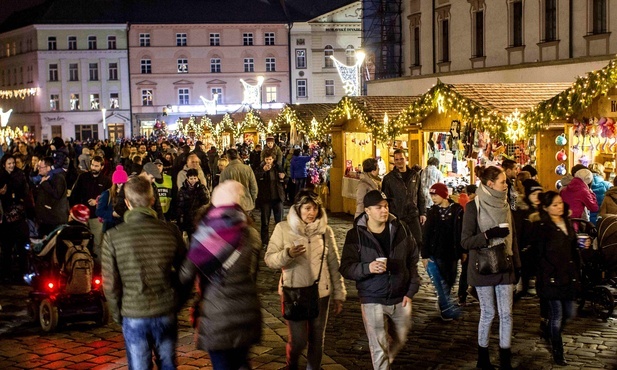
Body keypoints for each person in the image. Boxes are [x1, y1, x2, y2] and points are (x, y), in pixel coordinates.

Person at [102, 176, 186, 370]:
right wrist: (177, 301)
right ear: (152, 200)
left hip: (133, 312)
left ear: (127, 203)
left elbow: (110, 284)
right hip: (165, 309)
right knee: (168, 364)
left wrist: (118, 314)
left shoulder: (113, 237)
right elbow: (185, 271)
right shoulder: (170, 231)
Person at [178, 180, 262, 370]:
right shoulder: (251, 234)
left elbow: (185, 276)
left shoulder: (205, 236)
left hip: (217, 314)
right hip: (247, 311)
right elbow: (253, 273)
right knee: (241, 363)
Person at [265, 189, 346, 370]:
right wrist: (287, 254)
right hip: (294, 292)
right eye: (307, 208)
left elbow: (334, 264)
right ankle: (291, 363)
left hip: (321, 293)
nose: (311, 213)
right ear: (298, 208)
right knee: (299, 341)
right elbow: (269, 259)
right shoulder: (283, 228)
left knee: (317, 339)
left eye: (315, 208)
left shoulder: (326, 231)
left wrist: (339, 293)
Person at [339, 190, 420, 370]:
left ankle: (386, 360)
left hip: (400, 296)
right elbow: (345, 267)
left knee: (401, 338)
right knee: (378, 346)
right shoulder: (356, 235)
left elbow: (413, 259)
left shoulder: (401, 229)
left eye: (386, 206)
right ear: (367, 211)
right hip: (372, 297)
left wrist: (411, 289)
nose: (384, 210)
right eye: (379, 207)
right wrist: (368, 268)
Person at [461, 165, 520, 370]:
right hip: (483, 266)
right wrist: (488, 235)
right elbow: (465, 242)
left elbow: (513, 239)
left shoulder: (506, 204)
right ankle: (483, 359)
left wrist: (517, 265)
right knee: (488, 313)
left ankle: (505, 360)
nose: (506, 184)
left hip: (505, 264)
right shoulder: (473, 207)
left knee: (507, 314)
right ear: (490, 184)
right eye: (503, 181)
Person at [529, 191, 581, 366]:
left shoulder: (567, 221)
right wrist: (547, 271)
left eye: (560, 203)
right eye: (555, 205)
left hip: (568, 276)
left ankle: (549, 330)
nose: (559, 207)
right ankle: (558, 351)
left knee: (569, 312)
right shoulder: (541, 227)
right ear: (545, 207)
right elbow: (537, 255)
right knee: (557, 314)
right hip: (550, 278)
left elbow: (572, 247)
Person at [422, 182, 464, 316]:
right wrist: (425, 254)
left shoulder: (457, 210)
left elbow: (462, 231)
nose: (433, 198)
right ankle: (444, 306)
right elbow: (426, 234)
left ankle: (444, 301)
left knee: (451, 278)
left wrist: (463, 250)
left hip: (452, 252)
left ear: (444, 195)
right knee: (442, 280)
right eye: (431, 195)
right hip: (437, 251)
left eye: (435, 195)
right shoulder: (433, 211)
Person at [381, 149, 426, 250]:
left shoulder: (415, 175)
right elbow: (385, 199)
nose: (399, 161)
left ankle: (412, 262)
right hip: (397, 215)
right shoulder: (389, 178)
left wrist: (423, 213)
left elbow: (420, 195)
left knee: (418, 241)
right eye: (396, 159)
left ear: (406, 159)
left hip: (413, 214)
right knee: (399, 244)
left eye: (401, 159)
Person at [68, 155, 111, 259]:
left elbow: (110, 200)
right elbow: (74, 195)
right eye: (92, 165)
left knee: (97, 244)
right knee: (81, 242)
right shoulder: (83, 177)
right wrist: (75, 212)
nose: (93, 168)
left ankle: (97, 268)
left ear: (101, 167)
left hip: (97, 217)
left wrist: (97, 202)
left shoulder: (106, 181)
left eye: (96, 166)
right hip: (82, 217)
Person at [0, 154, 30, 281]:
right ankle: (6, 273)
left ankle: (22, 273)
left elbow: (24, 192)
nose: (12, 166)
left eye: (13, 163)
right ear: (4, 165)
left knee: (21, 246)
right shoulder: (1, 176)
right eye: (9, 163)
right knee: (6, 247)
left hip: (18, 216)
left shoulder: (20, 175)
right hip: (5, 217)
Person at [513, 179, 543, 300]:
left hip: (539, 250)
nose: (537, 197)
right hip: (525, 250)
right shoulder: (522, 211)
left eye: (539, 194)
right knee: (524, 276)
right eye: (534, 194)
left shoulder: (544, 209)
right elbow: (518, 232)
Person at [255, 152, 286, 247]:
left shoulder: (278, 167)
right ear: (264, 160)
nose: (268, 161)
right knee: (265, 222)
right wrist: (263, 171)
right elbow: (255, 178)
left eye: (270, 159)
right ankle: (265, 242)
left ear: (273, 159)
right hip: (266, 198)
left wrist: (283, 178)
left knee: (279, 222)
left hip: (277, 197)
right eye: (266, 159)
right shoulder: (260, 167)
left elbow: (285, 178)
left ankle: (278, 241)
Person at [34, 157, 70, 237]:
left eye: (40, 167)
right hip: (45, 220)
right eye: (38, 167)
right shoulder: (43, 178)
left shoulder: (58, 178)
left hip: (54, 220)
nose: (38, 169)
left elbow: (57, 194)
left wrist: (45, 183)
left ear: (48, 167)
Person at [220, 148, 258, 214]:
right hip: (246, 203)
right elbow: (253, 186)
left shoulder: (225, 171)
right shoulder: (247, 169)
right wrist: (252, 199)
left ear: (228, 157)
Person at [176, 168, 210, 239]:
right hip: (187, 219)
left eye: (195, 178)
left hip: (198, 218)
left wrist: (201, 190)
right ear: (187, 179)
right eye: (191, 179)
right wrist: (180, 219)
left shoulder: (201, 188)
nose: (193, 181)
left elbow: (206, 201)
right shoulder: (183, 190)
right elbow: (180, 205)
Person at [96, 165, 128, 233]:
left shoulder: (128, 194)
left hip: (123, 228)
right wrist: (112, 214)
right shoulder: (107, 194)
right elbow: (99, 212)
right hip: (110, 228)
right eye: (118, 183)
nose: (120, 185)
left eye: (123, 183)